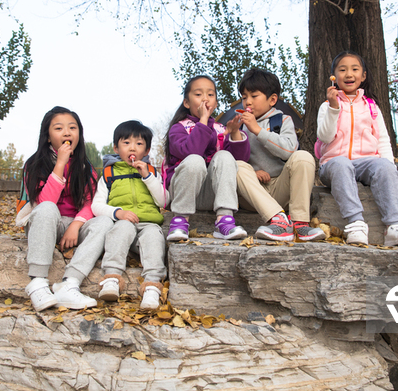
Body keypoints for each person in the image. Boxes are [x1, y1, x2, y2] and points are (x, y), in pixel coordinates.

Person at [316, 51, 398, 247]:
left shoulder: (371, 107)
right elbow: (325, 136)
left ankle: (394, 227)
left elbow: (382, 140)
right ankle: (355, 223)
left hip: (366, 163)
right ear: (334, 77)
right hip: (333, 164)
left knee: (384, 166)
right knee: (341, 163)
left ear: (363, 76)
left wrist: (391, 169)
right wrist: (334, 108)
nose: (349, 74)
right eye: (342, 70)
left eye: (355, 69)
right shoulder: (326, 106)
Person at [17, 106, 113, 312]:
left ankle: (69, 284)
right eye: (59, 128)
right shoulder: (34, 164)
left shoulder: (85, 167)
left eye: (73, 127)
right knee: (48, 208)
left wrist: (76, 225)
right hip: (43, 222)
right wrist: (60, 163)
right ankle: (38, 282)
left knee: (105, 222)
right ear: (48, 136)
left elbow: (90, 203)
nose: (67, 133)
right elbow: (43, 203)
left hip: (73, 224)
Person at [235, 68, 325, 242]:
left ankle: (300, 224)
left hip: (279, 188)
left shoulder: (282, 120)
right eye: (244, 97)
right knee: (236, 166)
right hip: (252, 194)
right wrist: (253, 172)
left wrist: (258, 131)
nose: (248, 102)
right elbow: (233, 159)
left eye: (254, 96)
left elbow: (289, 150)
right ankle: (279, 221)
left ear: (272, 99)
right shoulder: (239, 125)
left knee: (303, 156)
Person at [92, 120, 169, 309]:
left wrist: (147, 177)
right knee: (121, 229)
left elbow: (164, 201)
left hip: (148, 223)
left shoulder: (151, 172)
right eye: (126, 143)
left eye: (139, 143)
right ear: (116, 148)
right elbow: (97, 205)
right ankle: (111, 278)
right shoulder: (109, 174)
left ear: (147, 150)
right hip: (122, 223)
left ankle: (152, 286)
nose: (132, 148)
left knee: (153, 236)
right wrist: (118, 213)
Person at [164, 74, 250, 241]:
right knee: (195, 160)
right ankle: (180, 220)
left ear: (216, 103)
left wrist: (234, 133)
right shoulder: (178, 128)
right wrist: (203, 121)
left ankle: (224, 220)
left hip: (211, 195)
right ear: (187, 103)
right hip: (184, 192)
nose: (205, 99)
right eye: (198, 94)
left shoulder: (220, 128)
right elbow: (191, 151)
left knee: (225, 156)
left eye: (210, 95)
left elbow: (240, 161)